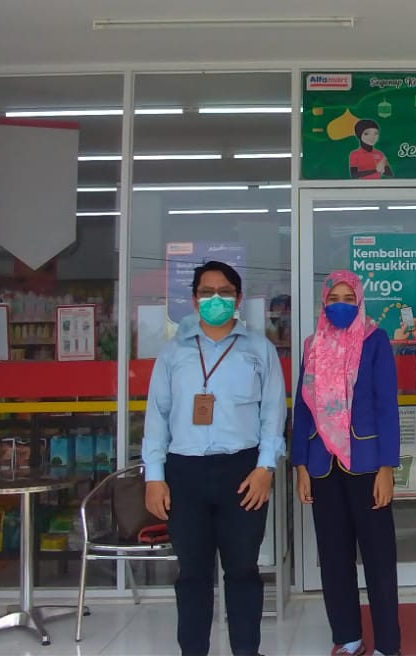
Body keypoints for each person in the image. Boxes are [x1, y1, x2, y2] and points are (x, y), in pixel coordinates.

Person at [143, 261, 284, 656]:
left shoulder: (259, 349)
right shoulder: (173, 353)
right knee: (192, 574)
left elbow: (273, 412)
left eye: (224, 292)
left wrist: (266, 467)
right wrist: (154, 476)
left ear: (238, 299)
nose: (215, 299)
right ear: (194, 300)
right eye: (207, 292)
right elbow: (157, 416)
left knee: (243, 571)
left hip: (243, 472)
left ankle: (246, 651)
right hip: (184, 473)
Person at [291, 270, 402, 656]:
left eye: (348, 298)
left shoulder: (374, 340)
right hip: (322, 464)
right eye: (334, 298)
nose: (341, 305)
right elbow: (302, 410)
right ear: (324, 303)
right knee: (334, 556)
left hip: (366, 463)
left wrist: (387, 467)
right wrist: (301, 465)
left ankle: (388, 645)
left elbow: (387, 405)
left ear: (359, 301)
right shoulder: (312, 345)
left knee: (378, 557)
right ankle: (349, 636)